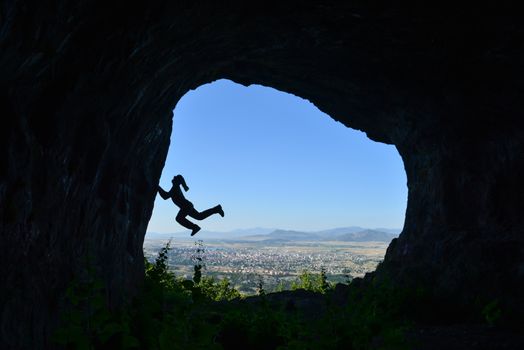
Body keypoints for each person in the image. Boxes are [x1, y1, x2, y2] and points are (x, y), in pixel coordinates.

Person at [158, 174, 224, 236]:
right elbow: (166, 196)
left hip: (186, 206)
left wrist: (157, 187)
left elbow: (165, 196)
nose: (173, 178)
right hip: (187, 205)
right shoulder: (175, 188)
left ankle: (194, 227)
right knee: (199, 216)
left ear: (177, 181)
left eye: (174, 178)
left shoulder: (175, 188)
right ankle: (216, 209)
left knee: (179, 218)